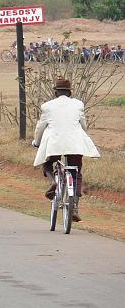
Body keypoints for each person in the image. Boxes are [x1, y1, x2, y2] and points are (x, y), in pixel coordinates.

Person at [32, 78, 100, 222]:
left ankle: (52, 183)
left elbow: (40, 128)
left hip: (54, 143)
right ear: (69, 92)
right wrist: (86, 139)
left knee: (48, 163)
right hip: (75, 143)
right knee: (75, 171)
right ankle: (74, 206)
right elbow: (83, 125)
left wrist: (36, 142)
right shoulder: (78, 104)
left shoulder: (47, 106)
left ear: (56, 92)